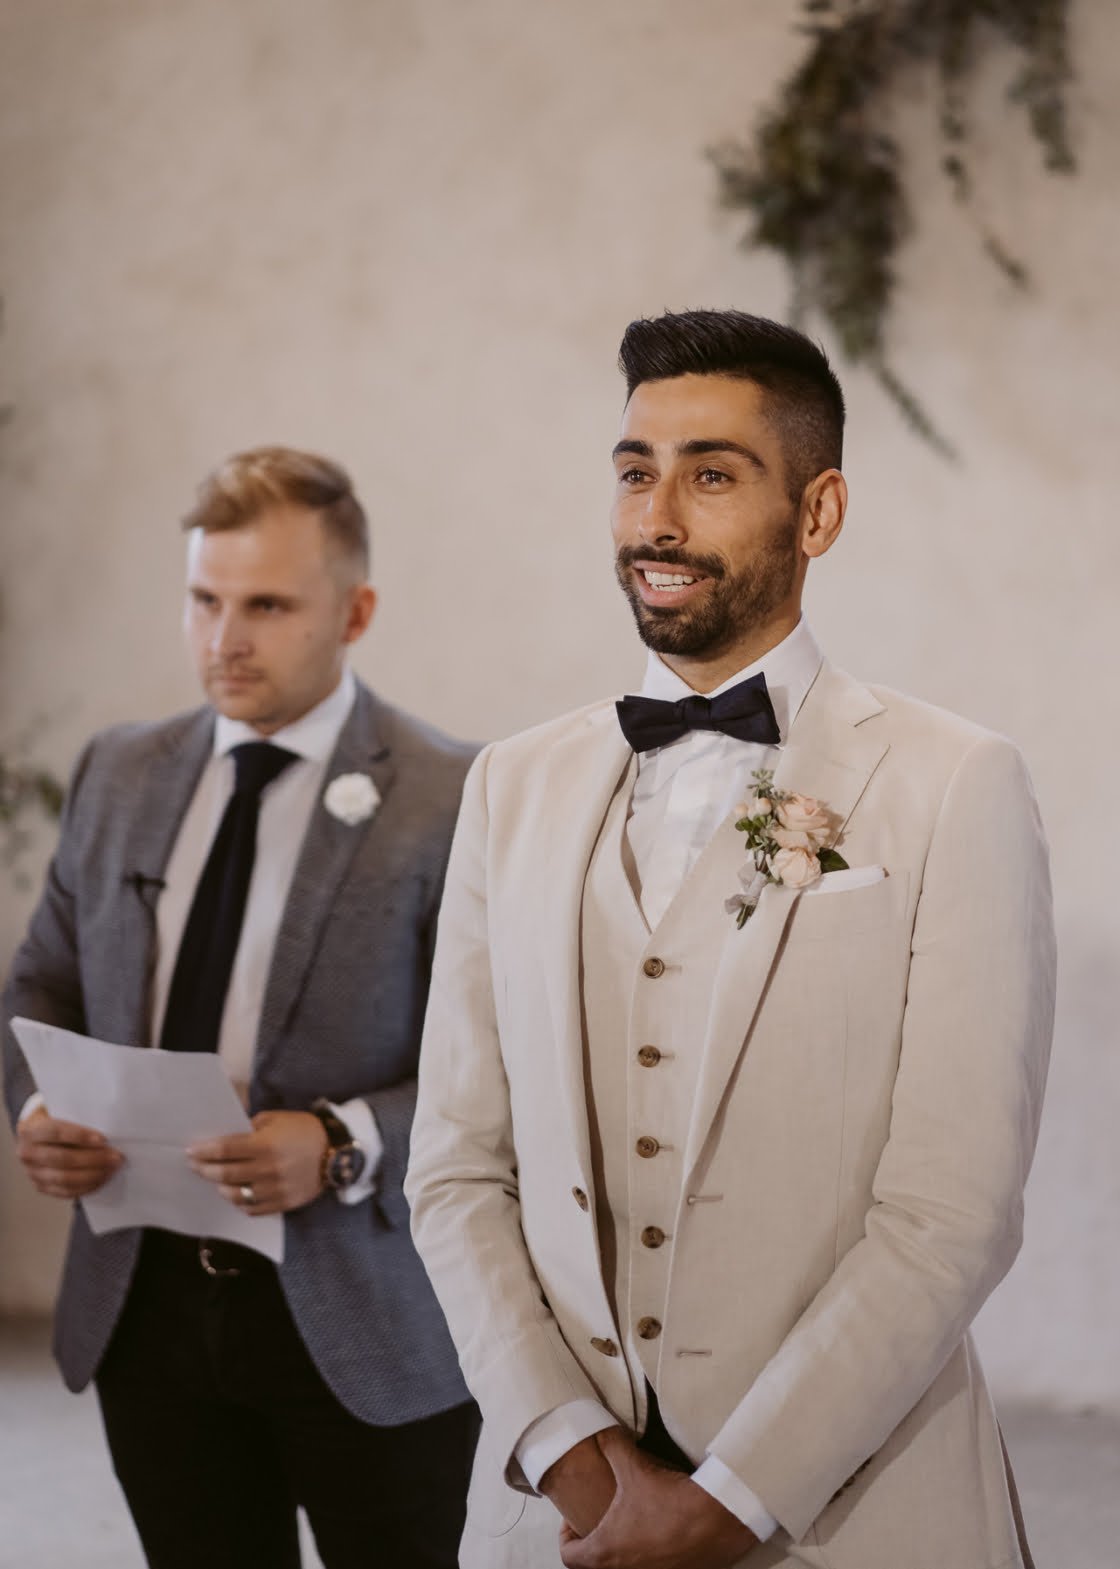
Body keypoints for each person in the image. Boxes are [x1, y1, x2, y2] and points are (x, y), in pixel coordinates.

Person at [405, 310, 1055, 1569]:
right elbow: (457, 1168)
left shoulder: (955, 782)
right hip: (560, 1517)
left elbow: (953, 1210)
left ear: (817, 513)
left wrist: (728, 1502)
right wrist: (574, 1457)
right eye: (633, 472)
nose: (655, 519)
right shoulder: (510, 784)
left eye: (710, 476)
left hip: (852, 1513)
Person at [3, 447, 479, 1569]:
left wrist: (342, 1140)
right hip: (147, 1302)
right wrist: (35, 1110)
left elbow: (498, 1067)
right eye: (204, 600)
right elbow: (39, 983)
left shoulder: (452, 793)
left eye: (267, 605)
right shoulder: (118, 770)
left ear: (355, 613)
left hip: (364, 1306)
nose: (225, 638)